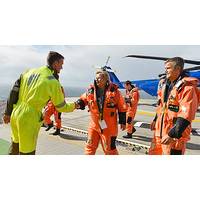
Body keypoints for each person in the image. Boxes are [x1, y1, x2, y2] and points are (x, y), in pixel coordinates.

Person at [3, 51, 80, 155]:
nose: (61, 68)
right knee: (27, 152)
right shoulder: (52, 81)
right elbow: (62, 107)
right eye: (61, 64)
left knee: (15, 147)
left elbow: (14, 91)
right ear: (55, 63)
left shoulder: (28, 72)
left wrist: (8, 112)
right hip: (29, 118)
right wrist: (76, 105)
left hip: (15, 113)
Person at [149, 57, 200, 155]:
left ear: (178, 69)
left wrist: (172, 134)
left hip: (174, 138)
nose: (165, 71)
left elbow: (186, 115)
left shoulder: (187, 88)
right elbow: (162, 106)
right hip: (159, 134)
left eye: (168, 68)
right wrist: (155, 119)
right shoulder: (166, 86)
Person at [76, 69, 127, 155]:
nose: (97, 80)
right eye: (96, 78)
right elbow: (83, 99)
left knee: (110, 149)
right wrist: (78, 104)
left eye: (100, 78)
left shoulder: (115, 92)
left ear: (106, 79)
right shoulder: (90, 91)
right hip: (94, 125)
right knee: (89, 147)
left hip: (109, 127)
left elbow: (122, 107)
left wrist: (123, 121)